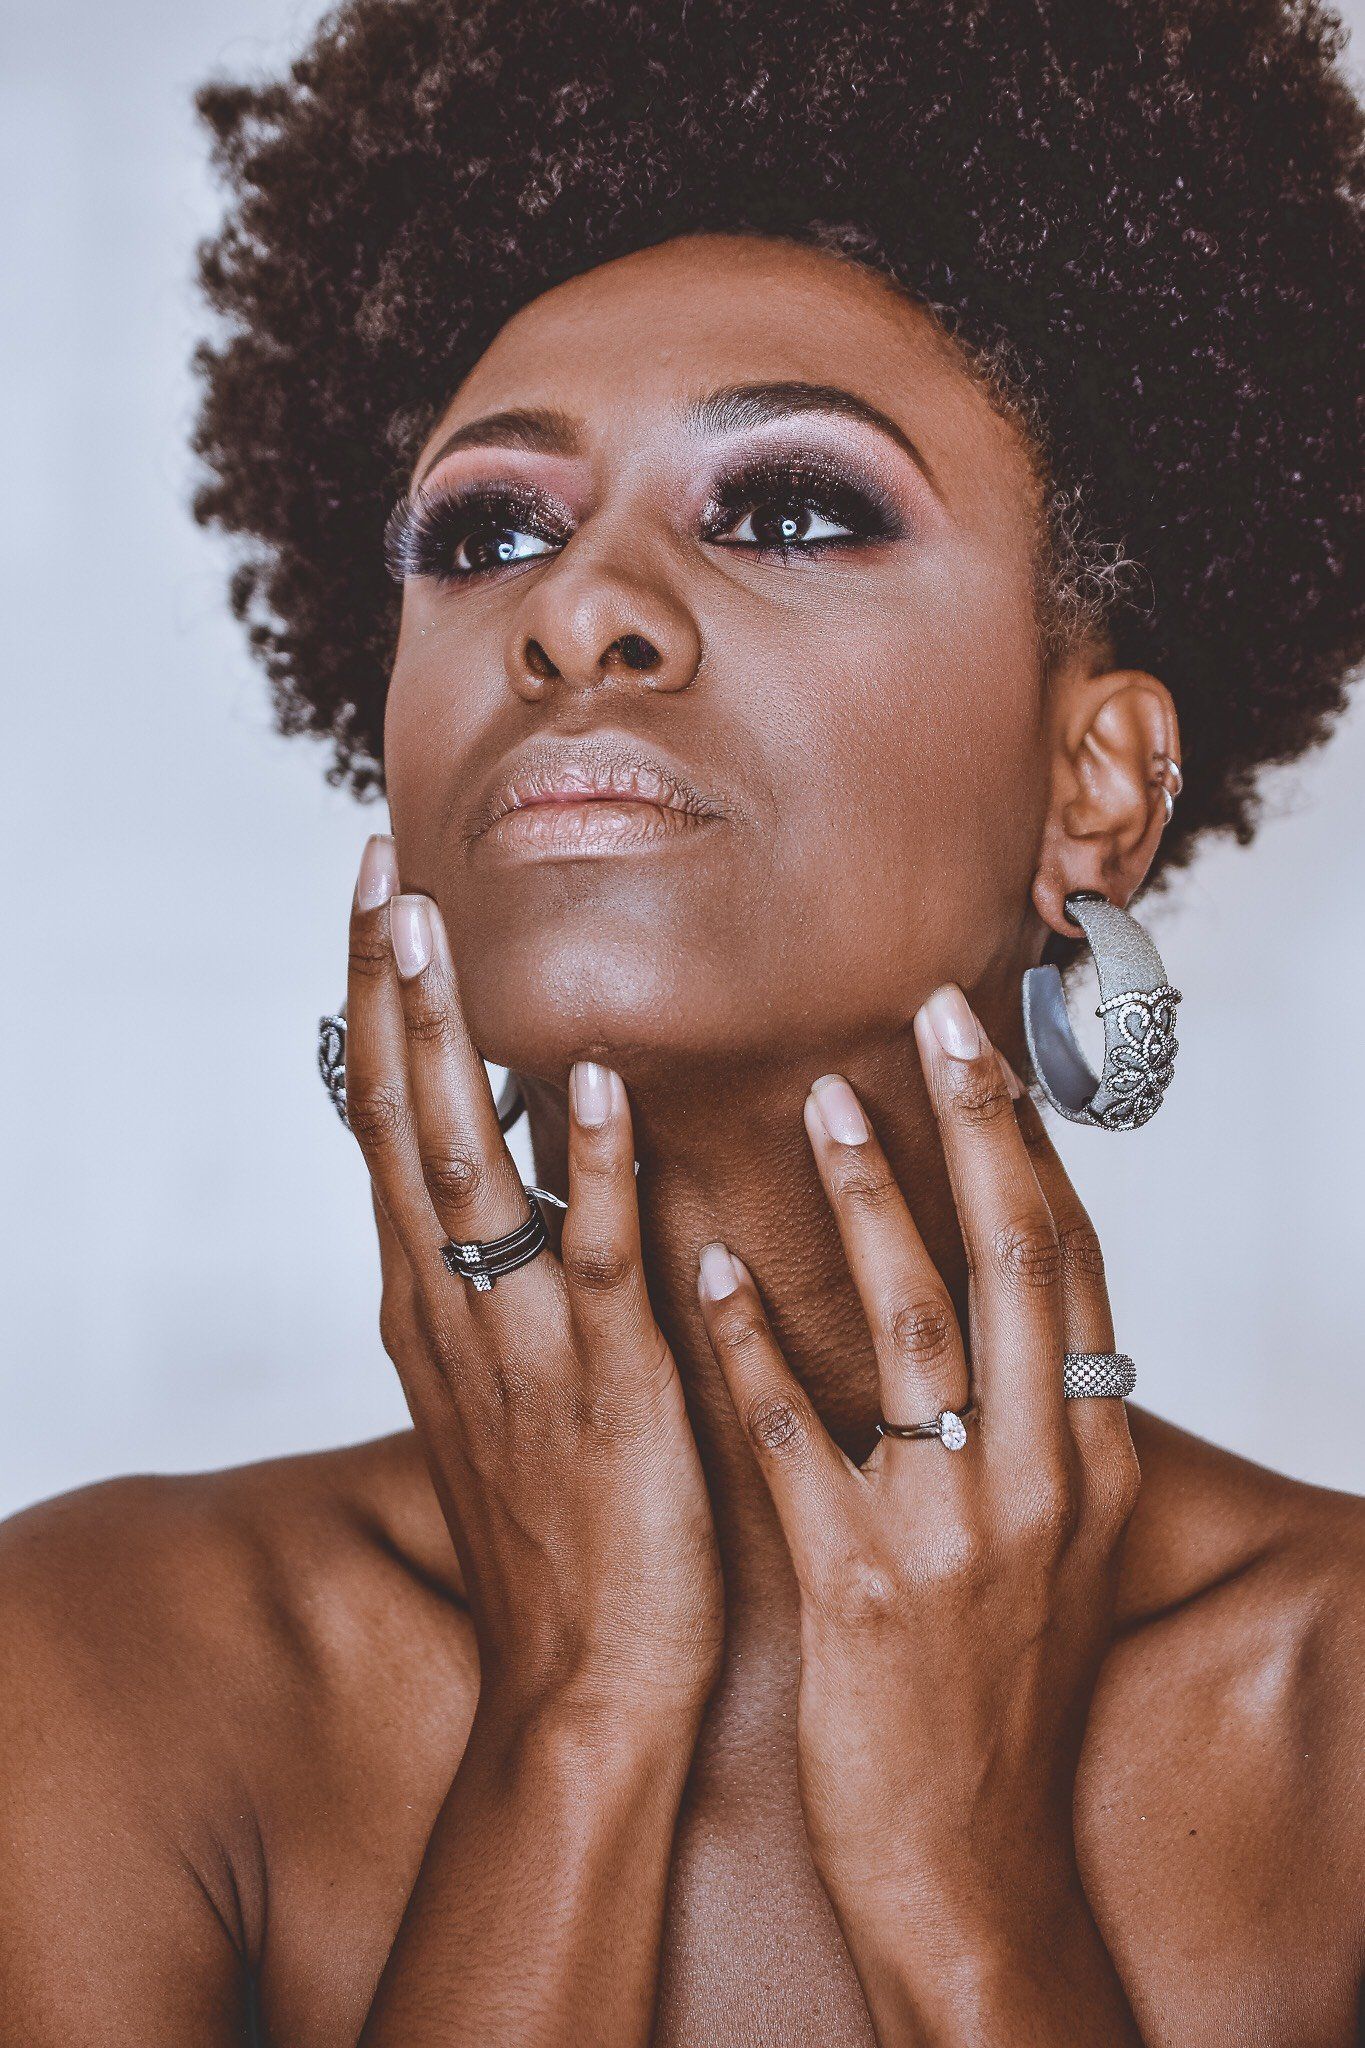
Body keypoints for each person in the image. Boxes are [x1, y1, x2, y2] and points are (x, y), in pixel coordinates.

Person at [3, 0, 1364, 2041]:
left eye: (791, 507)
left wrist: (964, 1887)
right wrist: (577, 1713)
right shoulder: (97, 1668)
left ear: (1093, 778)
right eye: (485, 532)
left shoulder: (1329, 1707)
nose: (573, 608)